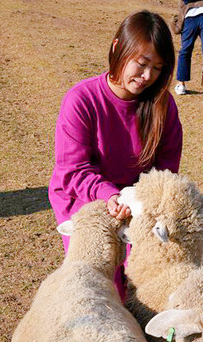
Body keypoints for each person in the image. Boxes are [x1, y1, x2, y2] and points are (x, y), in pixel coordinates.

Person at [48, 10, 183, 301]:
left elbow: (166, 167)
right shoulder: (81, 100)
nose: (148, 77)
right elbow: (74, 169)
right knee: (102, 284)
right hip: (84, 197)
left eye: (158, 68)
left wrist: (142, 199)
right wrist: (109, 195)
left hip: (136, 199)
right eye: (142, 63)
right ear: (117, 48)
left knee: (147, 273)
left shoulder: (162, 105)